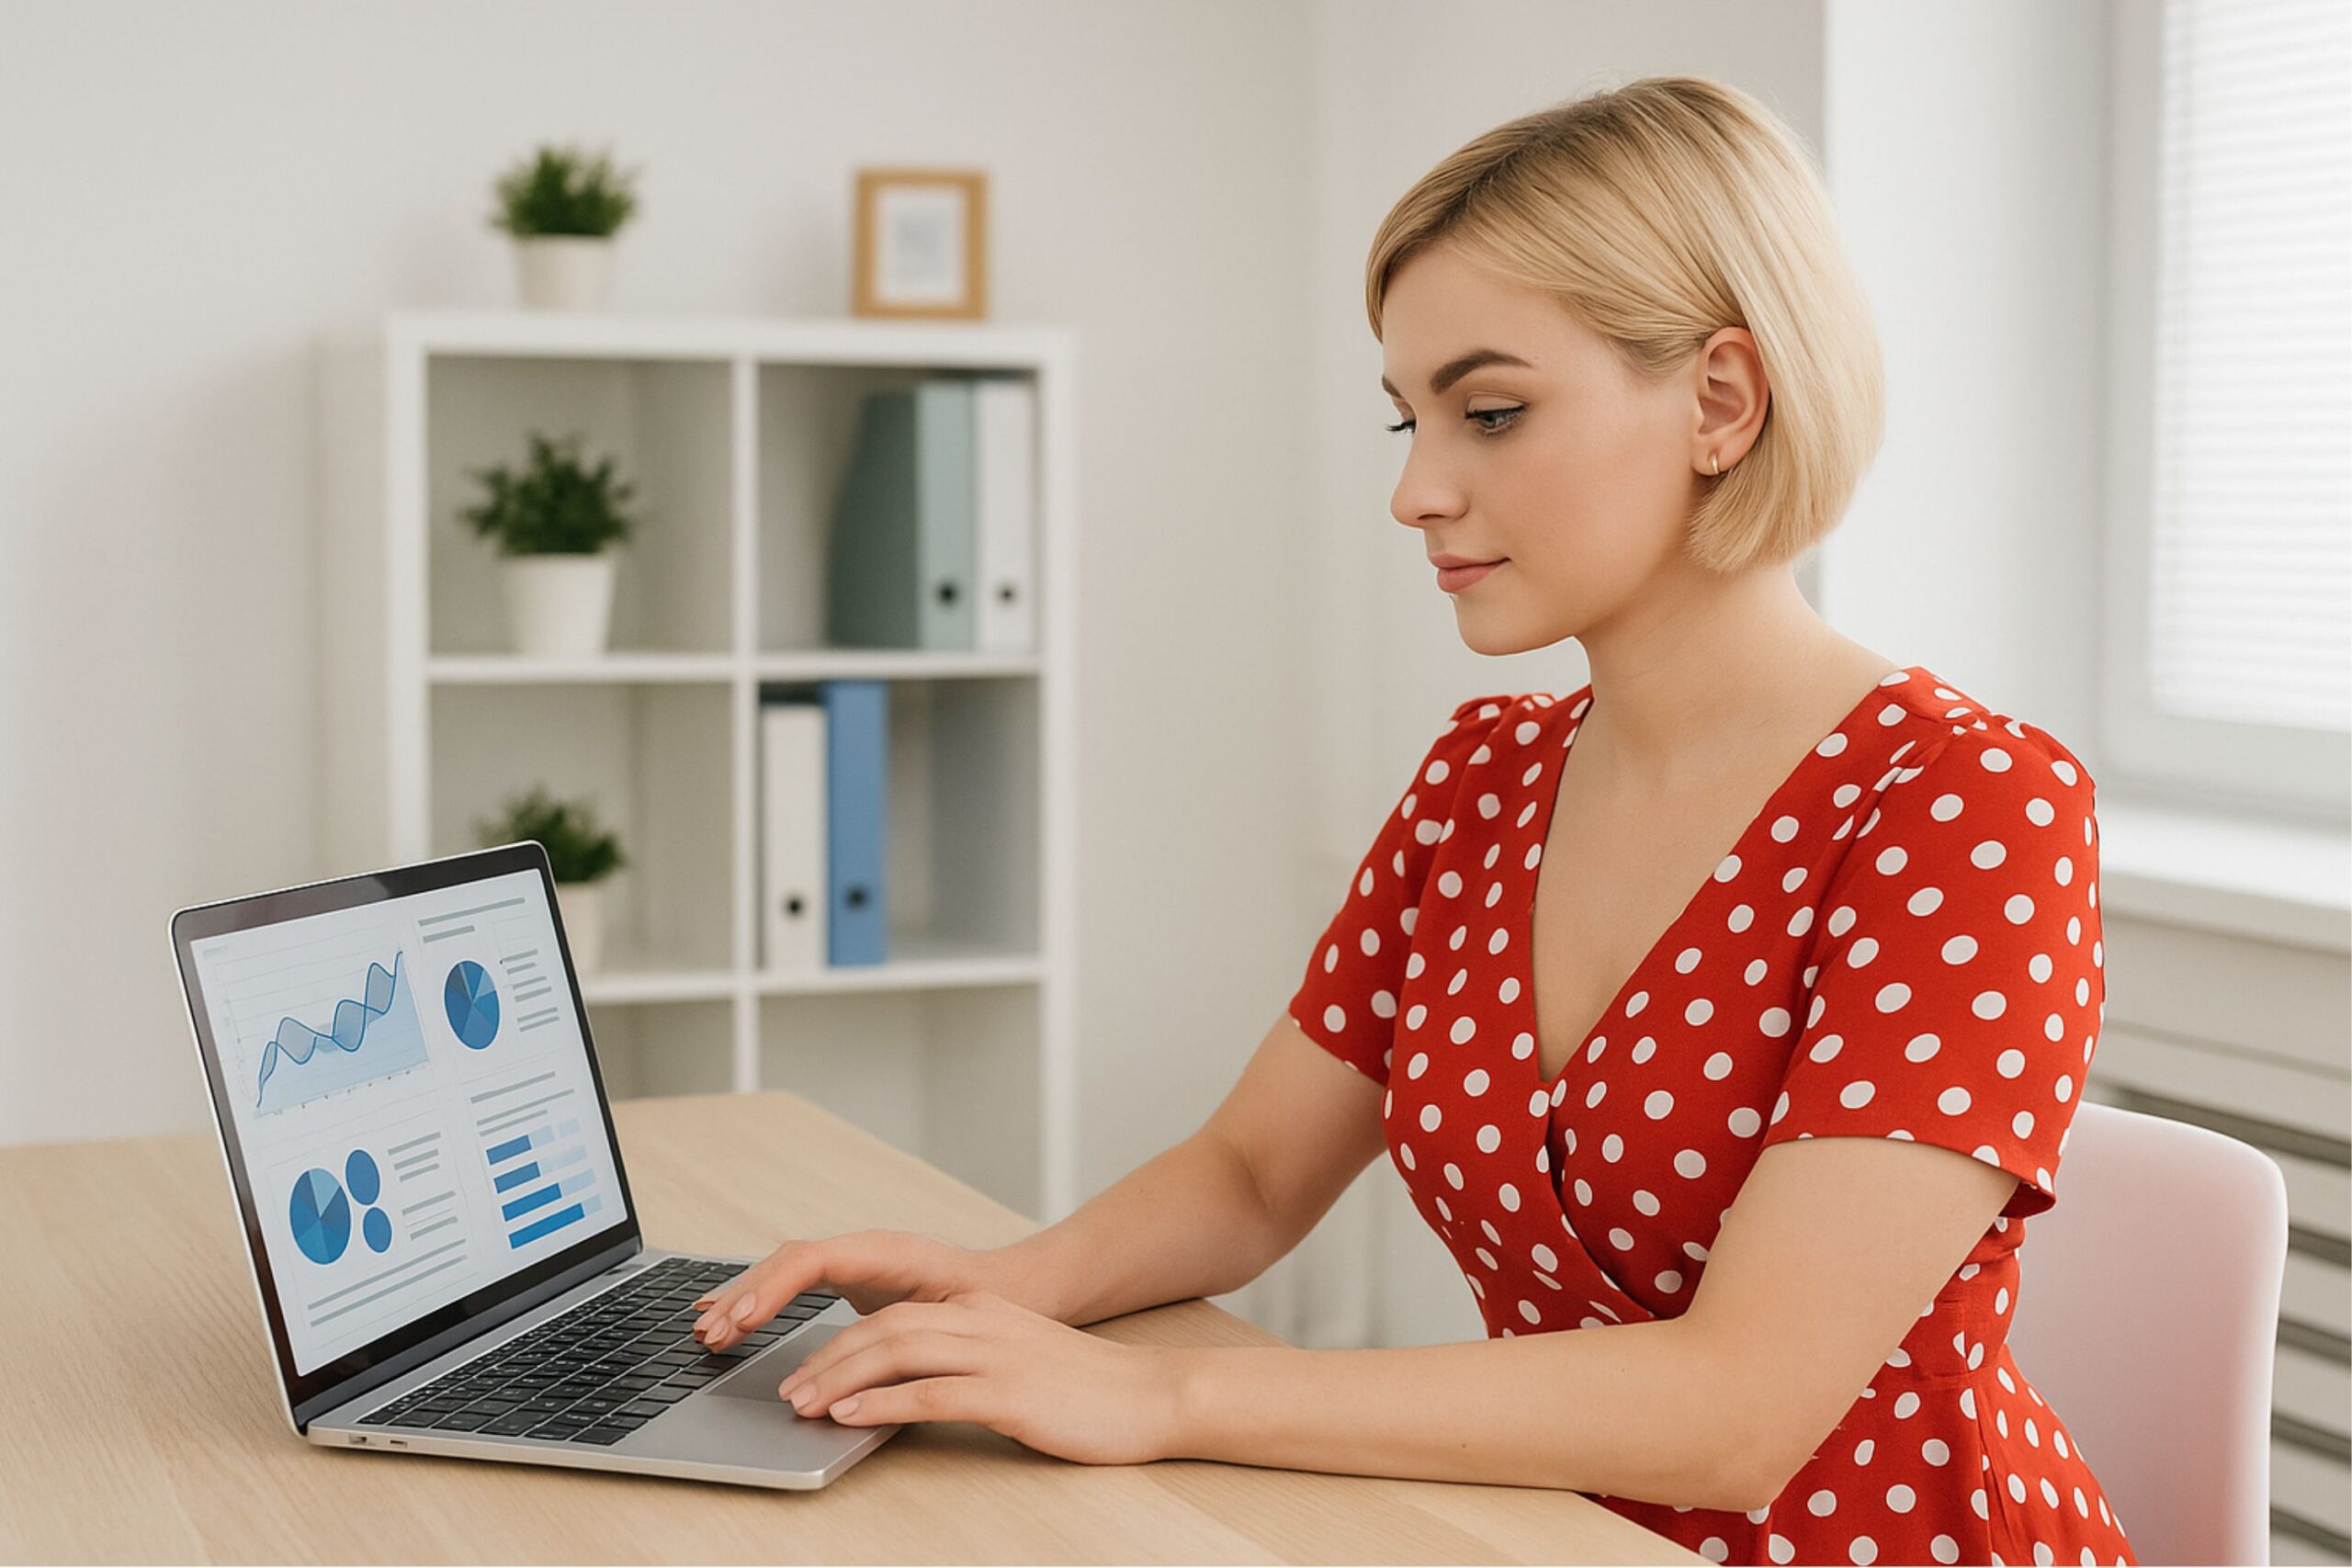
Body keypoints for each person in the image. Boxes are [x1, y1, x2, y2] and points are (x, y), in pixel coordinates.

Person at [689, 74, 2137, 1568]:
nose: (1415, 490)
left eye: (1490, 413)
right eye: (1411, 417)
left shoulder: (1969, 809)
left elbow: (1735, 1411)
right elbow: (1255, 1175)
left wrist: (1162, 1393)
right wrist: (1007, 1287)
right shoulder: (1483, 781)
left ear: (1721, 401)